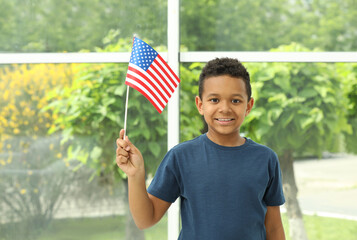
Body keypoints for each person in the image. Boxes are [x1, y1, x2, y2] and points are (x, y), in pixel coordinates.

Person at [116, 57, 286, 240]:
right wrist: (135, 175)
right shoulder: (180, 157)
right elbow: (145, 220)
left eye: (235, 101)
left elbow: (274, 228)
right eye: (214, 100)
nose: (225, 108)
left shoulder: (266, 159)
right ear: (200, 105)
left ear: (249, 106)